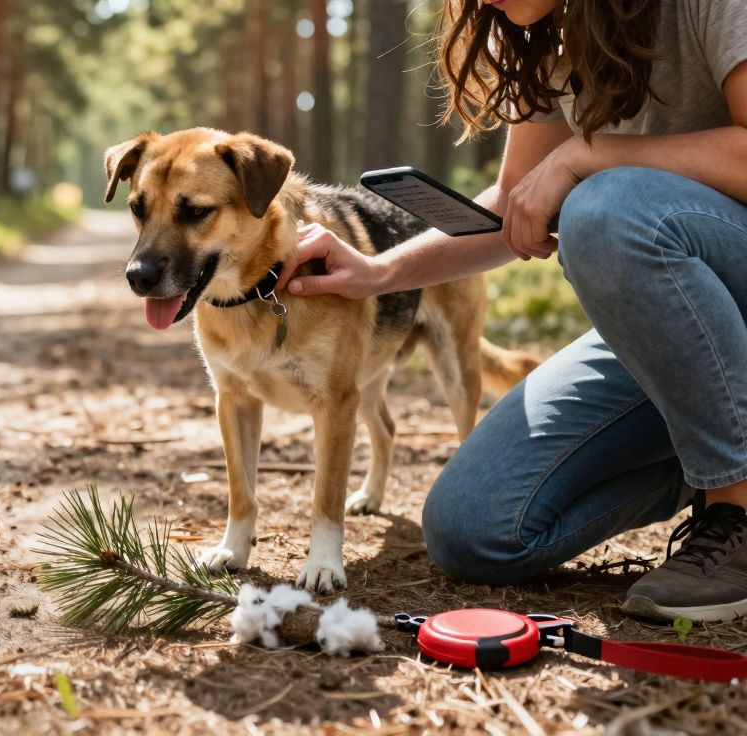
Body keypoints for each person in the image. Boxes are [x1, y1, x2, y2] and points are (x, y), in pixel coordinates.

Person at [275, 0, 747, 622]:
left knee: (604, 210)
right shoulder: (558, 35)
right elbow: (511, 205)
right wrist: (379, 274)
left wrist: (589, 156)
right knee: (475, 527)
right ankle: (709, 444)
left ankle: (735, 508)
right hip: (682, 335)